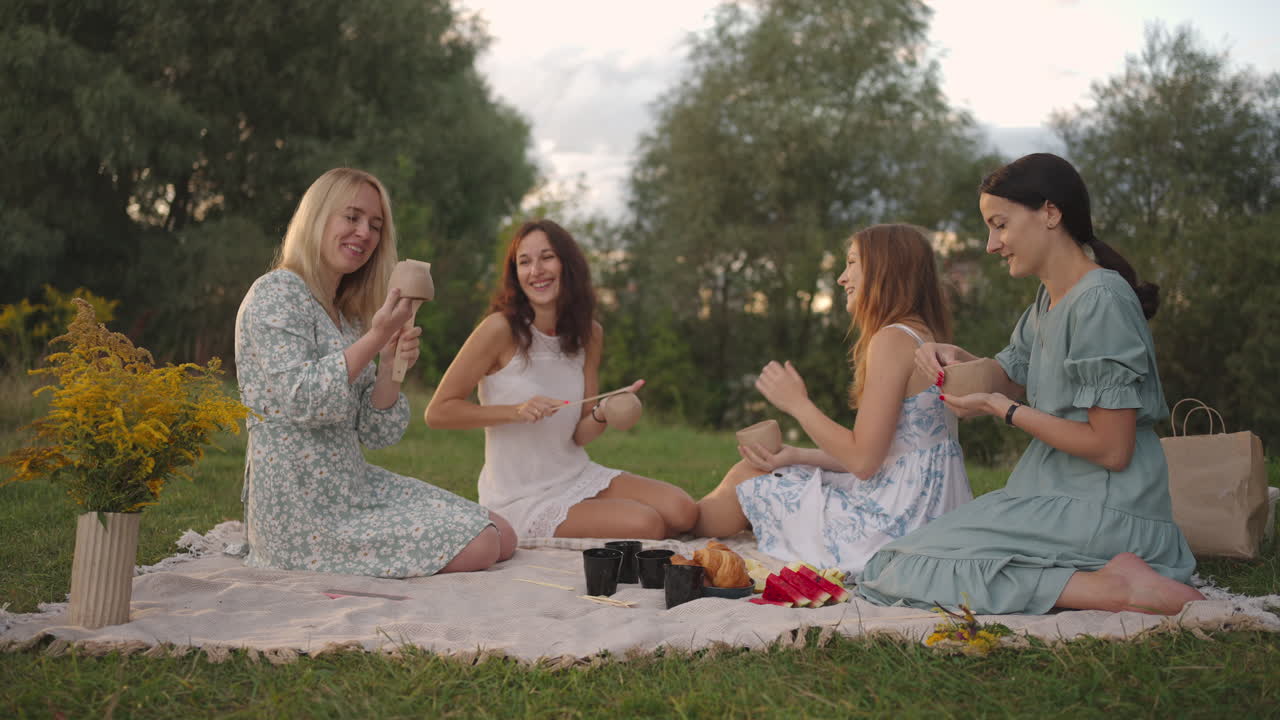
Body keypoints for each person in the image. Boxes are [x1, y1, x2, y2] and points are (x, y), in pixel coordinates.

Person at [857, 153, 1203, 615]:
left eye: (1000, 225)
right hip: (1049, 493)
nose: (991, 244)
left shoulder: (1100, 300)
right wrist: (957, 360)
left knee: (905, 568)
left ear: (1050, 213)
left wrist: (1004, 410)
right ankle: (1103, 581)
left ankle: (1120, 589)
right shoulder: (1048, 300)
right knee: (891, 563)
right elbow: (1009, 373)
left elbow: (1112, 448)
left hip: (1108, 507)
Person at [234, 168, 516, 577]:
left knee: (504, 534)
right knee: (484, 543)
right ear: (317, 218)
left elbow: (375, 433)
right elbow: (303, 398)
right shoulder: (276, 293)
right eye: (352, 218)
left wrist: (388, 368)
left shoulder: (346, 315)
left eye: (375, 225)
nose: (365, 233)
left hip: (352, 487)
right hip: (300, 510)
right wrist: (377, 335)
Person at [694, 224, 973, 574]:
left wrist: (797, 403)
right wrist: (795, 455)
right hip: (923, 514)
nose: (842, 278)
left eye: (852, 262)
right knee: (780, 469)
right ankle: (680, 517)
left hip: (890, 528)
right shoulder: (921, 336)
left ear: (884, 270)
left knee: (746, 478)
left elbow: (863, 461)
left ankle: (679, 525)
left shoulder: (891, 340)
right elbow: (890, 455)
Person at [425, 219, 698, 540]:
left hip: (576, 473)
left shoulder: (589, 334)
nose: (536, 270)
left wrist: (603, 411)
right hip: (522, 496)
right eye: (524, 262)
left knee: (684, 510)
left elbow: (580, 434)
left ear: (567, 264)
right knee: (646, 524)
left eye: (547, 257)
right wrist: (515, 411)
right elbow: (438, 412)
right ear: (515, 274)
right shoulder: (498, 329)